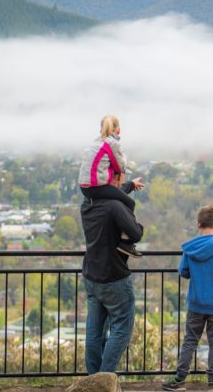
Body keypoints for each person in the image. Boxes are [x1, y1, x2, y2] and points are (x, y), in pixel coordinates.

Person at [162, 205, 213, 391]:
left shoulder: (190, 248)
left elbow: (184, 272)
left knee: (190, 340)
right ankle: (212, 382)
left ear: (198, 225)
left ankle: (179, 379)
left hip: (196, 302)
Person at [80, 168, 144, 373]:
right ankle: (104, 379)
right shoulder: (115, 207)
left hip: (91, 275)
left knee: (94, 332)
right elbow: (135, 233)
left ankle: (93, 380)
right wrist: (139, 226)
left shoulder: (86, 204)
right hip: (114, 277)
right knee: (121, 329)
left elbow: (111, 192)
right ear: (114, 179)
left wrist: (130, 186)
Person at [79, 115, 145, 256]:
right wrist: (124, 156)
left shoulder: (95, 143)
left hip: (86, 188)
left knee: (118, 196)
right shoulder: (112, 143)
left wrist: (131, 184)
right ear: (118, 129)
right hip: (98, 186)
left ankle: (124, 239)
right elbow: (121, 166)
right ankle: (125, 241)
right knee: (129, 202)